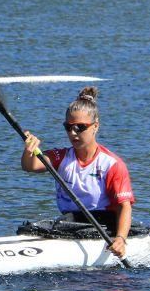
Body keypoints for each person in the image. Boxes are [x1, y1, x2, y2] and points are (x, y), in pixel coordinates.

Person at [21, 87, 133, 258]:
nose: (73, 133)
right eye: (68, 127)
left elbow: (124, 206)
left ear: (95, 126)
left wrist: (120, 239)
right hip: (71, 222)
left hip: (102, 224)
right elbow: (31, 166)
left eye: (80, 127)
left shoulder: (112, 164)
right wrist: (29, 150)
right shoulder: (61, 157)